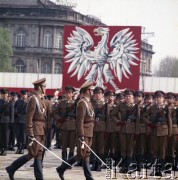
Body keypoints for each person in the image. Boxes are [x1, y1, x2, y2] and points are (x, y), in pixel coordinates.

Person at [6, 78, 48, 180]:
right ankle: (12, 168)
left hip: (41, 130)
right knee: (32, 153)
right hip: (35, 131)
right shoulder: (33, 99)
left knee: (38, 154)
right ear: (40, 88)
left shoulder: (41, 99)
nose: (45, 88)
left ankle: (39, 177)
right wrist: (30, 132)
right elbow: (29, 117)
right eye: (44, 86)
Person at [56, 81, 95, 180]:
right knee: (82, 154)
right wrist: (81, 134)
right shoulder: (82, 103)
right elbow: (80, 120)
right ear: (87, 91)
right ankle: (62, 168)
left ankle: (88, 177)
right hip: (84, 132)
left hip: (89, 131)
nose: (92, 92)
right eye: (91, 90)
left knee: (85, 154)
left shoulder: (88, 102)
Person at [0, 89, 14, 156]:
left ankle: (5, 149)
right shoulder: (0, 101)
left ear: (7, 94)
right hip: (0, 120)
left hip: (7, 121)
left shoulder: (10, 103)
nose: (4, 95)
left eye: (5, 94)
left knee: (6, 136)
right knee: (0, 135)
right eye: (3, 94)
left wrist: (11, 122)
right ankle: (1, 148)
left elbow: (12, 113)